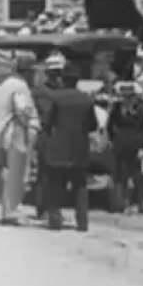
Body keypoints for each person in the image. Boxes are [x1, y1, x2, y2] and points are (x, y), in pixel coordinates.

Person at [40, 55, 98, 232]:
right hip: (79, 150)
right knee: (80, 187)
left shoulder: (57, 99)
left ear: (63, 79)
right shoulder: (86, 100)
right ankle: (82, 222)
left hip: (58, 150)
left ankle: (55, 221)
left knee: (55, 186)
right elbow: (93, 125)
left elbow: (47, 123)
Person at [0, 52, 40, 222]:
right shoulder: (20, 86)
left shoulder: (7, 83)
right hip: (15, 132)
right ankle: (11, 211)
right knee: (16, 173)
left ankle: (7, 210)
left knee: (6, 173)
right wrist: (29, 126)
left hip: (1, 134)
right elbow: (22, 111)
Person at [106, 81, 143, 215]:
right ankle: (124, 203)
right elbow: (110, 126)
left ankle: (140, 203)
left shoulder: (139, 110)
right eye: (124, 96)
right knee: (122, 176)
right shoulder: (116, 109)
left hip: (135, 145)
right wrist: (113, 139)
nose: (127, 99)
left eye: (130, 96)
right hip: (121, 145)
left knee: (137, 176)